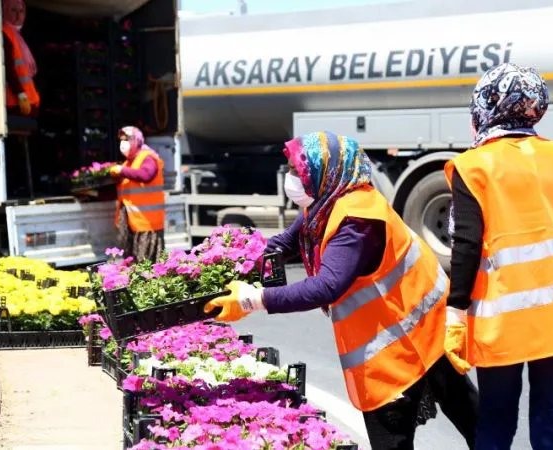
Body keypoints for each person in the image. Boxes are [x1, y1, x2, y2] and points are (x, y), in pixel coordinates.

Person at [205, 131, 479, 449]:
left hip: (404, 339)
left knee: (415, 429)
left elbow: (326, 286)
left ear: (326, 171)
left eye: (298, 171)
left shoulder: (356, 220)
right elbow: (286, 243)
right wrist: (232, 262)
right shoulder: (326, 204)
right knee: (470, 417)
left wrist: (253, 300)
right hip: (415, 327)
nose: (292, 179)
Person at [443, 63, 553, 450]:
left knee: (496, 427)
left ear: (486, 107)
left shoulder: (475, 165)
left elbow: (466, 245)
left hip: (505, 320)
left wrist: (455, 311)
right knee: (551, 432)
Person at [109, 126, 165, 262]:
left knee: (146, 262)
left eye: (127, 139)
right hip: (133, 222)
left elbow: (146, 175)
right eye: (121, 140)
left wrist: (122, 171)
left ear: (136, 140)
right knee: (132, 261)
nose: (123, 143)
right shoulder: (129, 162)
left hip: (147, 223)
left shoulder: (147, 158)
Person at [2, 0, 40, 117]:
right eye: (13, 10)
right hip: (15, 102)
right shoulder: (5, 33)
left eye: (21, 11)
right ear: (5, 12)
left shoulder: (17, 35)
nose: (18, 15)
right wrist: (20, 94)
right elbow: (8, 68)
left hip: (27, 100)